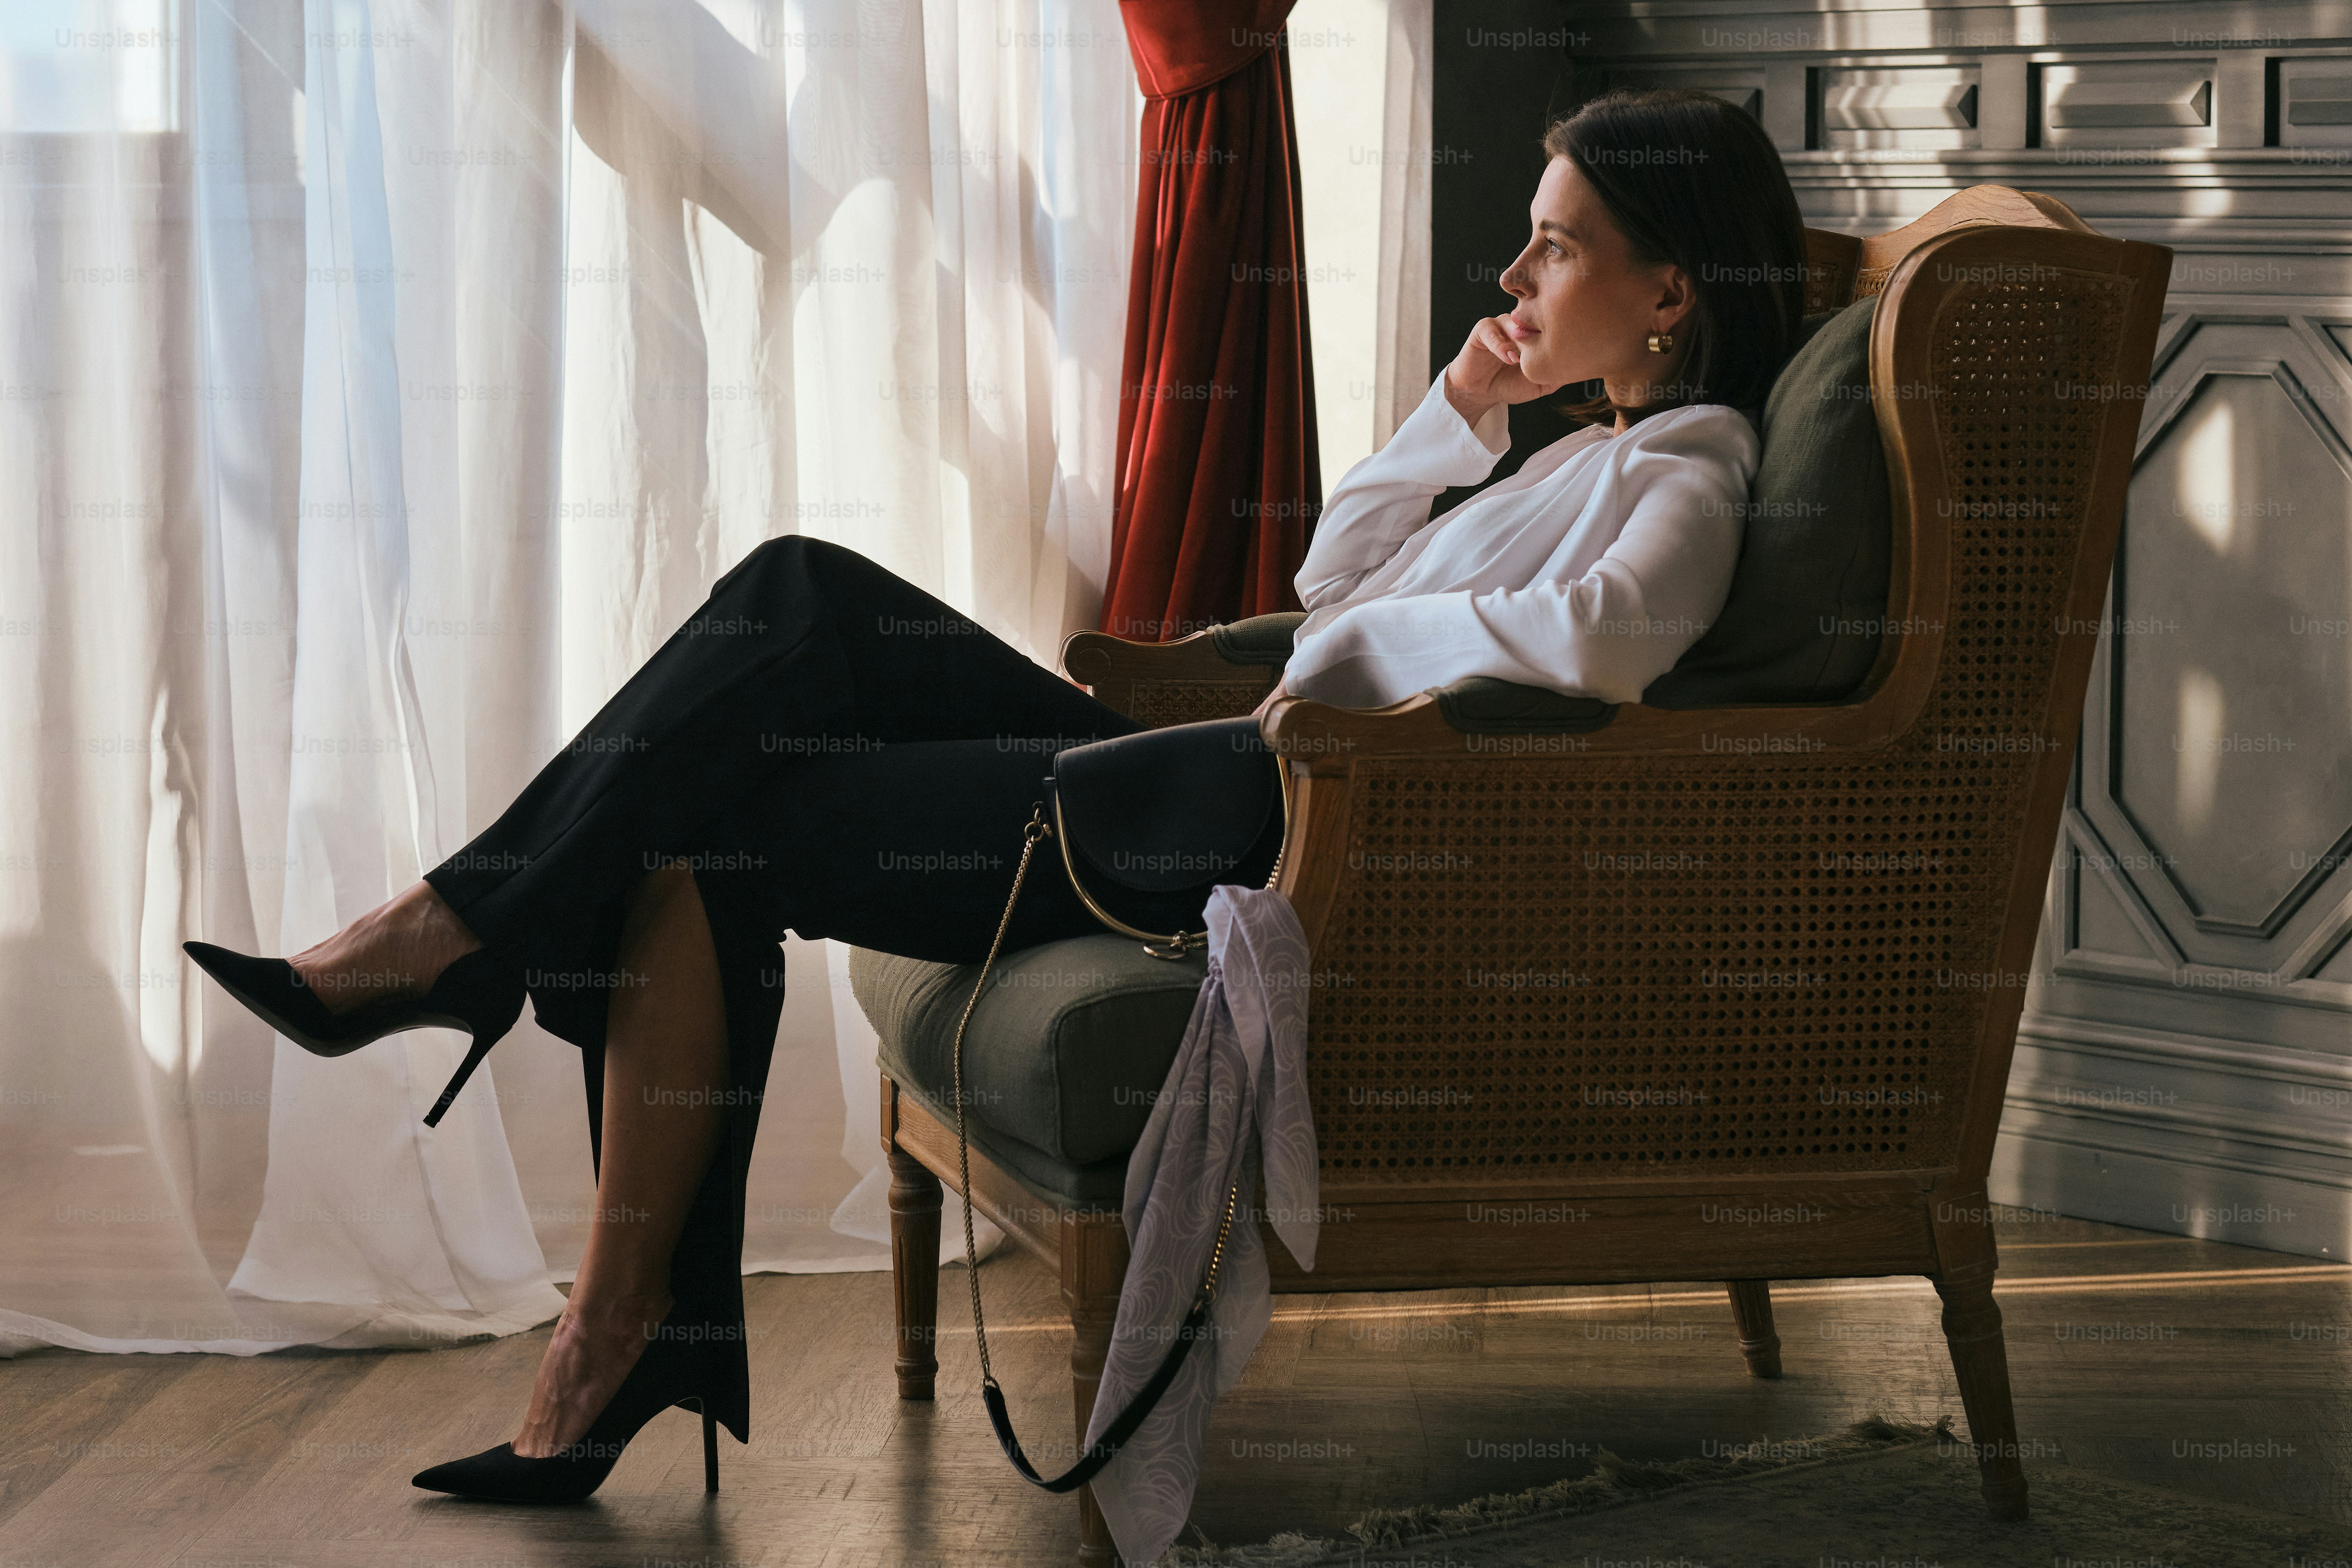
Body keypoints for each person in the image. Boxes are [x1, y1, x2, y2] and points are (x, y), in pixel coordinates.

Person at [183, 86, 1806, 1501]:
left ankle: (470, 989)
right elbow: (1327, 575)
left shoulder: (1696, 464)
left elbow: (1605, 649)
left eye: (1560, 247)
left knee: (723, 775)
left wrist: (1350, 656)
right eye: (1526, 239)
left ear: (1672, 287)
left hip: (1243, 811)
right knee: (800, 599)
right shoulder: (1564, 451)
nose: (1516, 276)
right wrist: (1459, 414)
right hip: (1210, 767)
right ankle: (557, 1200)